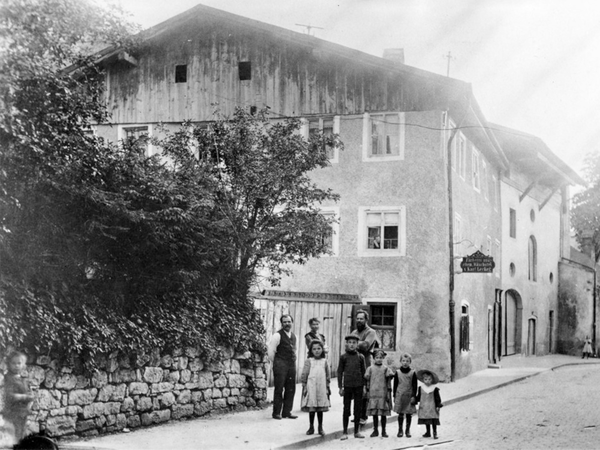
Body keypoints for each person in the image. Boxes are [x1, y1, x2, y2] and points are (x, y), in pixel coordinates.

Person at [351, 309, 379, 425]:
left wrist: (353, 344)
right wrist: (357, 344)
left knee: (364, 390)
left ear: (366, 320)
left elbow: (366, 346)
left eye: (361, 318)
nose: (359, 320)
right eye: (357, 318)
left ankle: (363, 416)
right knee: (355, 390)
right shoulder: (354, 332)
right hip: (354, 364)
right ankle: (357, 415)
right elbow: (348, 346)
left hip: (365, 365)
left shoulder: (371, 332)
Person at [268, 314, 298, 420]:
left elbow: (294, 351)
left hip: (291, 365)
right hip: (280, 365)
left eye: (289, 322)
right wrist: (278, 363)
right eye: (285, 322)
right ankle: (276, 413)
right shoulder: (277, 336)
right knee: (279, 389)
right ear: (282, 323)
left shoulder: (294, 336)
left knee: (291, 389)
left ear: (292, 323)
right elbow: (271, 352)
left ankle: (287, 412)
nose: (287, 324)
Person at [337, 335, 366, 440]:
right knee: (346, 409)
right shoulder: (343, 357)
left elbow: (364, 373)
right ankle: (344, 432)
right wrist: (340, 387)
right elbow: (340, 372)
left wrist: (364, 387)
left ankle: (356, 431)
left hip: (358, 386)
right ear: (346, 344)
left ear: (357, 344)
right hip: (348, 386)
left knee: (357, 409)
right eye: (350, 342)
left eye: (354, 342)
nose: (352, 344)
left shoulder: (360, 357)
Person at [2, 351, 35, 443]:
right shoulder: (7, 379)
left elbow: (29, 393)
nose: (16, 366)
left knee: (21, 432)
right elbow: (9, 395)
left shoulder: (22, 379)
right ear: (8, 364)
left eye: (19, 363)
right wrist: (25, 397)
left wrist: (31, 396)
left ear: (23, 365)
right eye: (13, 363)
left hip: (22, 412)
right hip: (12, 412)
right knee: (13, 434)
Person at [300, 340, 330, 436]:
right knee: (312, 408)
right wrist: (304, 386)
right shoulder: (309, 361)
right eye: (314, 349)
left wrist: (327, 387)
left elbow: (328, 376)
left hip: (321, 387)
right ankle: (311, 426)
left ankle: (320, 427)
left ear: (322, 350)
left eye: (319, 349)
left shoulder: (324, 362)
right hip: (311, 387)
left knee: (320, 409)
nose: (317, 351)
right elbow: (304, 374)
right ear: (311, 350)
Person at [364, 349, 394, 438]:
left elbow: (390, 377)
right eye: (377, 357)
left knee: (383, 414)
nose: (379, 359)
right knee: (375, 414)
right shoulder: (370, 369)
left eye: (381, 358)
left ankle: (384, 431)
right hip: (373, 394)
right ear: (374, 358)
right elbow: (367, 379)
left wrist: (390, 376)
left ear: (383, 358)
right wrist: (367, 390)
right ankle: (375, 430)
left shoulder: (385, 369)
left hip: (382, 394)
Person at [393, 352, 418, 438]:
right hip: (400, 395)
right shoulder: (398, 372)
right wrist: (394, 396)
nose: (405, 362)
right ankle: (400, 430)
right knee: (400, 413)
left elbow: (415, 385)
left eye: (407, 361)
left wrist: (414, 396)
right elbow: (395, 385)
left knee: (408, 414)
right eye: (403, 360)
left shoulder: (412, 373)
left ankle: (407, 430)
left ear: (410, 362)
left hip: (409, 395)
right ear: (400, 361)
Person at [414, 369, 443, 440]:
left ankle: (435, 432)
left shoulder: (434, 389)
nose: (427, 381)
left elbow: (437, 398)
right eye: (426, 379)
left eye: (429, 379)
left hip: (432, 407)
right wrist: (414, 400)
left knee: (433, 420)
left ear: (432, 380)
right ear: (423, 380)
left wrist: (438, 405)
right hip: (424, 407)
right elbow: (418, 397)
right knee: (426, 420)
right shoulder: (421, 388)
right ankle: (428, 432)